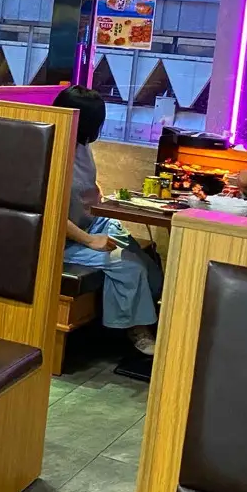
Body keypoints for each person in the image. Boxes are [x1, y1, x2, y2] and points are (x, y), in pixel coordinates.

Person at [55, 85, 162, 356]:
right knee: (129, 267)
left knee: (150, 264)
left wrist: (104, 200)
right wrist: (90, 240)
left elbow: (87, 184)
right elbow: (49, 213)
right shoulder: (50, 148)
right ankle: (136, 330)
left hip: (92, 222)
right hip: (64, 240)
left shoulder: (80, 144)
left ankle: (140, 322)